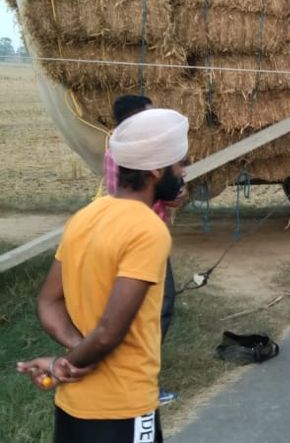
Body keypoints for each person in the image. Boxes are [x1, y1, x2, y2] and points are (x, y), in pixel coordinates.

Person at [17, 108, 190, 443]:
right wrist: (62, 365)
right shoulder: (148, 230)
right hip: (124, 407)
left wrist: (74, 350)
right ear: (156, 168)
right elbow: (109, 332)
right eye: (180, 163)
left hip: (73, 405)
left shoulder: (85, 217)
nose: (183, 172)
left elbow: (48, 302)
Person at [104, 94, 186, 405]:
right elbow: (132, 194)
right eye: (149, 118)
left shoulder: (84, 222)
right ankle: (142, 382)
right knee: (154, 310)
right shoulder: (124, 156)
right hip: (143, 241)